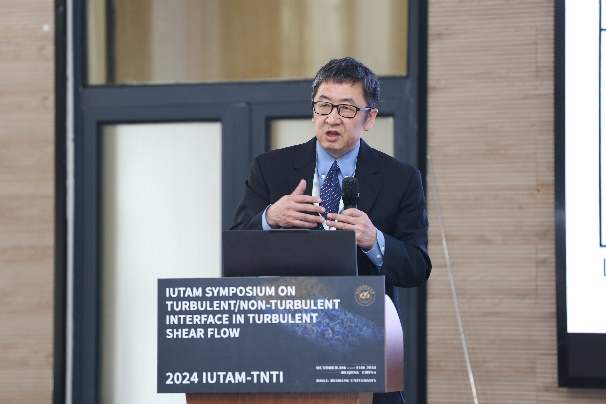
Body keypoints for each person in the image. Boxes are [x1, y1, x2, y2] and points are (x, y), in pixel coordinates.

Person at [230, 57, 431, 404]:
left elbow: (417, 267)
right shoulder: (270, 168)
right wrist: (269, 217)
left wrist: (375, 241)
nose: (332, 118)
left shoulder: (400, 179)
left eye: (347, 109)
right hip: (282, 342)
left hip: (363, 345)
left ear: (369, 118)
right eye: (323, 105)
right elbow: (235, 249)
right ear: (313, 111)